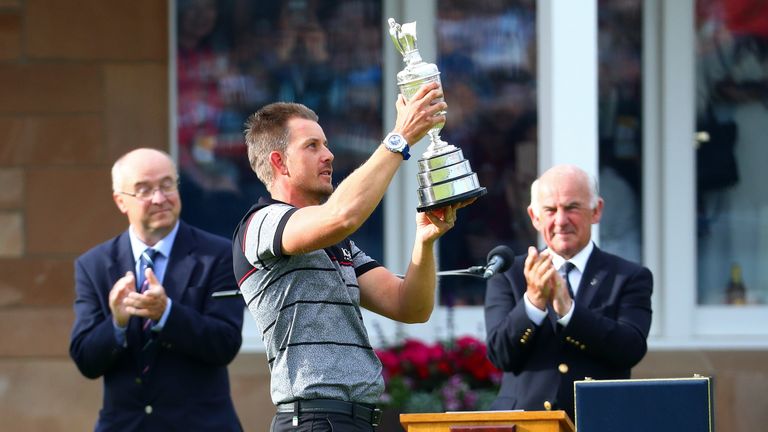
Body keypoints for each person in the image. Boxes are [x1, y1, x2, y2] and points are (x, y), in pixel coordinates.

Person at [233, 82, 470, 431]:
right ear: (279, 162)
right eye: (312, 146)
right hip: (314, 420)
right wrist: (399, 138)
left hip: (355, 420)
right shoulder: (260, 225)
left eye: (326, 144)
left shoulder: (336, 241)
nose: (328, 155)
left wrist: (425, 240)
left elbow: (410, 307)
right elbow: (342, 216)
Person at [69, 148, 244, 431]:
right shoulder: (94, 265)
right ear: (120, 201)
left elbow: (225, 343)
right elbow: (86, 360)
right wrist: (117, 323)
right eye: (144, 190)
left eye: (167, 185)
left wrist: (167, 314)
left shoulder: (219, 255)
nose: (160, 198)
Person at [484, 164, 653, 421]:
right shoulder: (510, 274)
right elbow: (500, 355)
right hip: (524, 423)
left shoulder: (629, 276)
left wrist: (569, 312)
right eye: (550, 210)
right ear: (534, 216)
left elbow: (630, 349)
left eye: (572, 208)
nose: (561, 221)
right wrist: (533, 303)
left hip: (599, 420)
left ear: (596, 211)